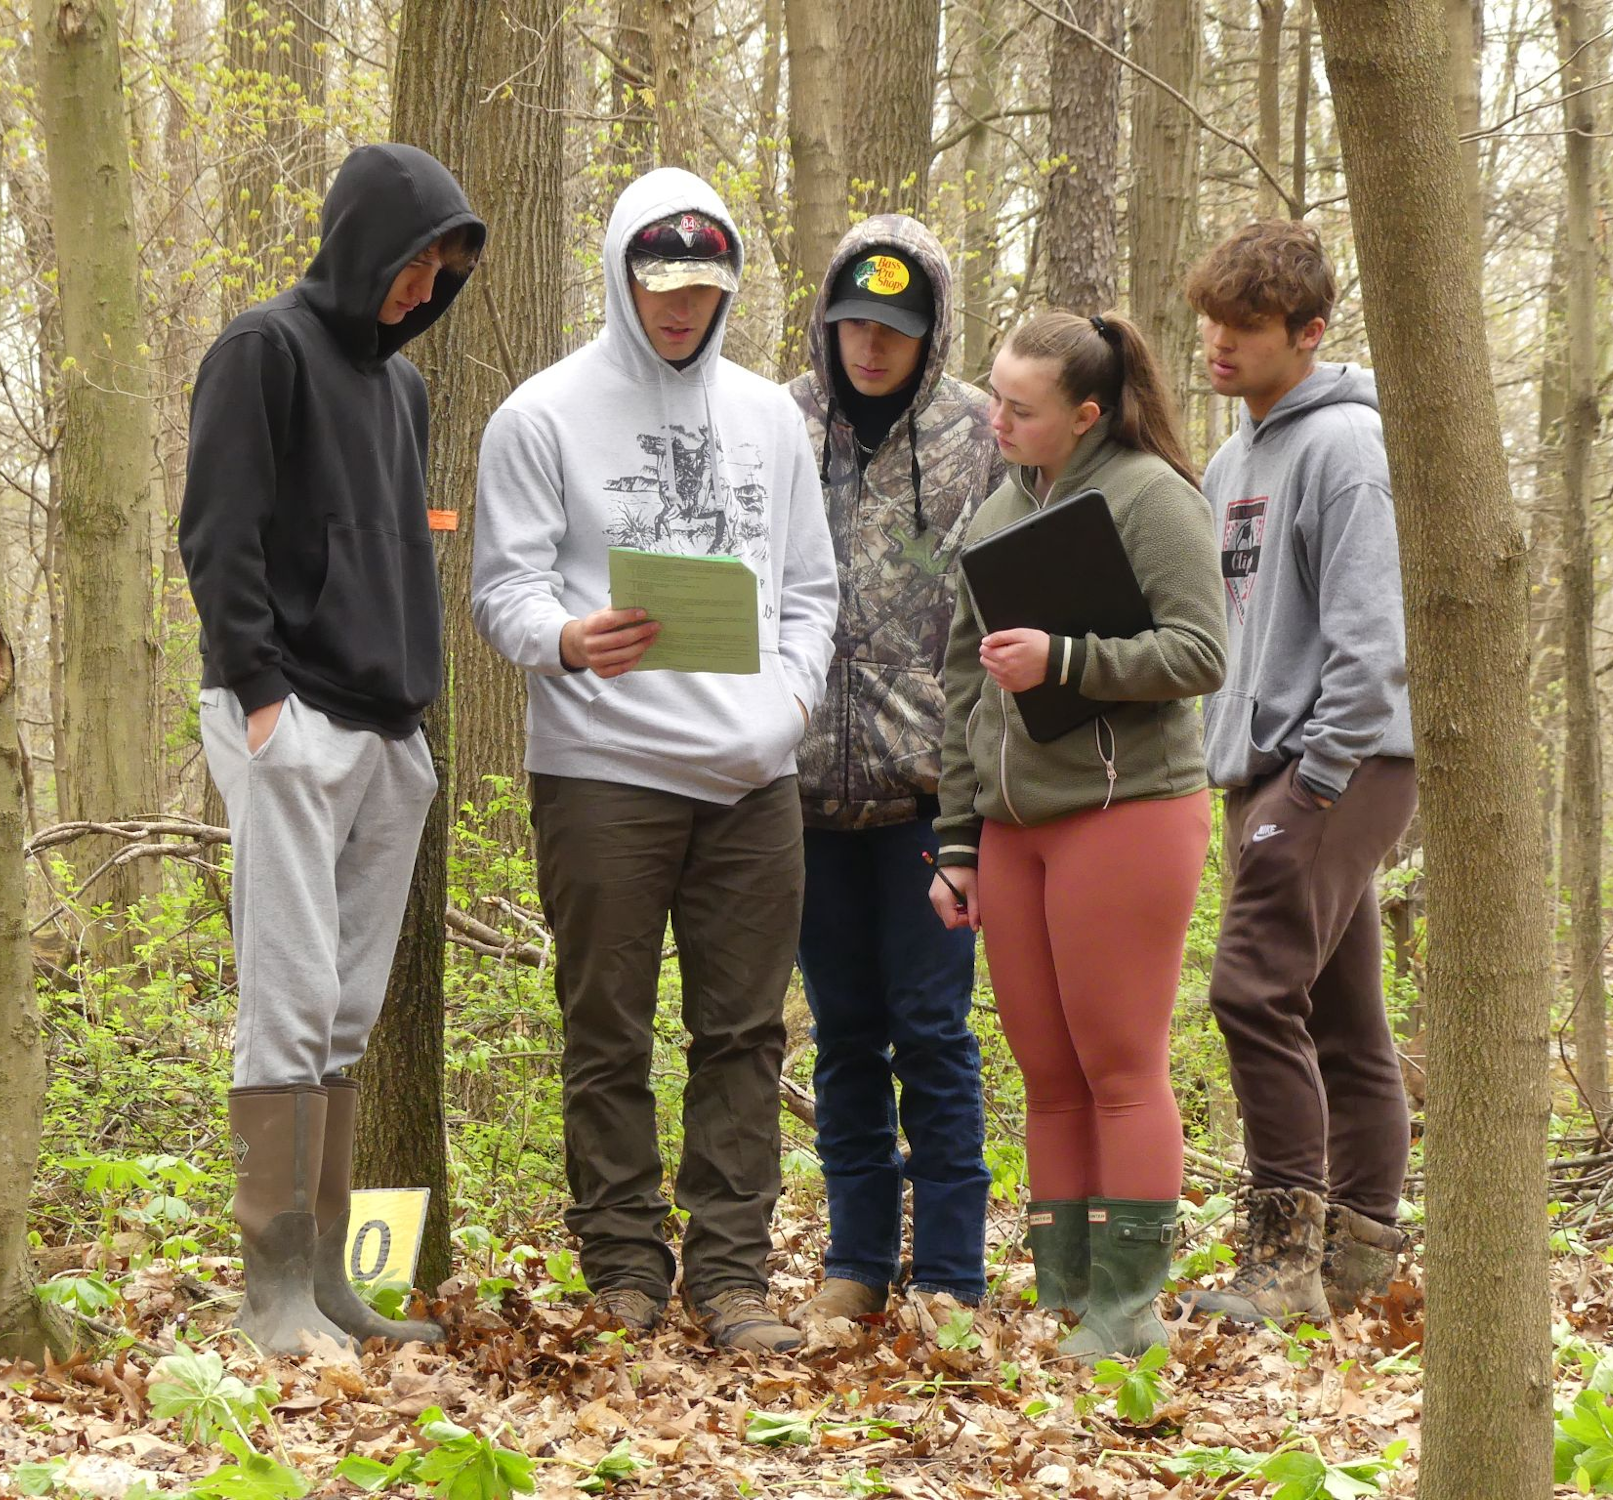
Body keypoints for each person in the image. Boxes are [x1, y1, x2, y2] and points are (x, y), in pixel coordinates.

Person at [470, 168, 839, 1355]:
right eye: (660, 281)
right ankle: (623, 1263)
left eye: (703, 286)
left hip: (751, 777)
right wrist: (565, 638)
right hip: (603, 769)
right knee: (606, 1028)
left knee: (744, 1033)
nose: (680, 306)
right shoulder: (541, 414)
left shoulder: (770, 417)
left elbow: (809, 593)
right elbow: (502, 589)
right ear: (622, 273)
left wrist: (787, 706)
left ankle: (731, 1276)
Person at [179, 143, 485, 1355]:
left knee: (347, 1006)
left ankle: (329, 1287)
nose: (421, 292)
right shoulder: (262, 351)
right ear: (365, 242)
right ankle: (271, 1298)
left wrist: (414, 719)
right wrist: (258, 696)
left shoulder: (401, 392)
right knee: (290, 996)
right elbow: (218, 529)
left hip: (384, 728)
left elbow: (400, 554)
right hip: (287, 712)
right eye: (414, 264)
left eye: (441, 274)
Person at [930, 310, 1227, 1358]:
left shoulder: (1152, 497)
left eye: (1020, 408)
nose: (995, 420)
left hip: (1126, 810)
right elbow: (964, 687)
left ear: (1086, 414)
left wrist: (1065, 660)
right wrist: (956, 840)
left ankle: (1126, 1306)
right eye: (994, 398)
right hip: (1012, 828)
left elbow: (1198, 652)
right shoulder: (995, 511)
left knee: (1117, 1065)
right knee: (1044, 1072)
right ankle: (1061, 1295)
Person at [1175, 220, 1415, 1327]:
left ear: (1308, 333)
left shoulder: (1347, 450)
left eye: (1246, 327)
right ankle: (1359, 1254)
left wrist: (1314, 778)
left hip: (1335, 766)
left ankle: (1281, 1264)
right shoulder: (1233, 457)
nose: (1218, 343)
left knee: (1249, 991)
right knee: (1340, 1012)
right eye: (1211, 320)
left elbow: (1372, 640)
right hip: (1260, 765)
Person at [783, 219, 1003, 1325]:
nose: (872, 346)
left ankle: (952, 1277)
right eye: (854, 324)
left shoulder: (978, 438)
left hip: (931, 797)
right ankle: (856, 1263)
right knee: (842, 1039)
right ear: (827, 323)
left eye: (896, 329)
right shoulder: (777, 424)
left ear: (932, 332)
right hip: (804, 793)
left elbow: (1019, 601)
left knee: (933, 1034)